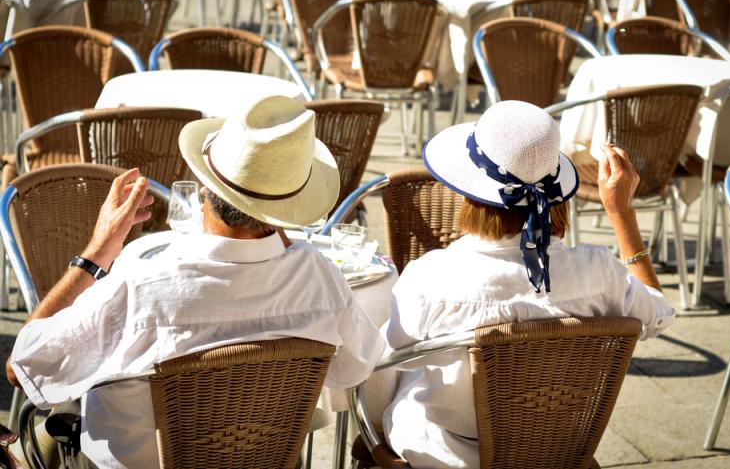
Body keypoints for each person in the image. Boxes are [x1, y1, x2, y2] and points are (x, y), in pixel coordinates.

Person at [6, 96, 385, 468]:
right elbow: (357, 365)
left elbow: (23, 366)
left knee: (47, 433)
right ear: (285, 208)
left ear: (204, 187)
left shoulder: (140, 286)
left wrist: (96, 253)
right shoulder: (321, 280)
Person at [382, 100, 675, 468]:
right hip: (559, 453)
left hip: (452, 456)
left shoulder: (431, 276)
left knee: (387, 380)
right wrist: (621, 213)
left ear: (469, 190)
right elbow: (660, 315)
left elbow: (393, 353)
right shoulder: (599, 271)